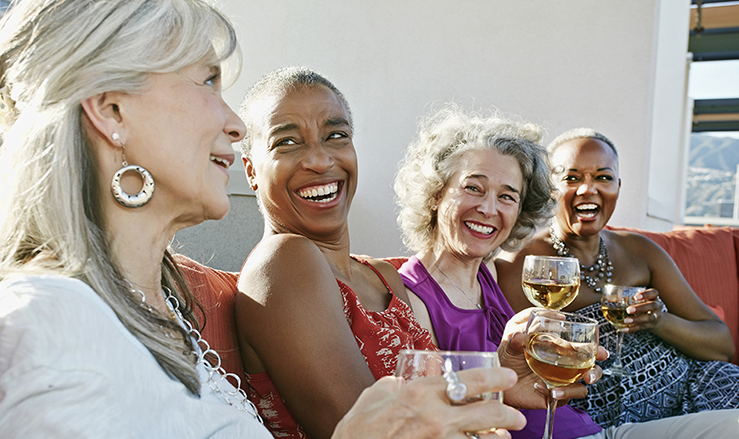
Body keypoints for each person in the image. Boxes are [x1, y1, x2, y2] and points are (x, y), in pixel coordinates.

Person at [0, 0, 528, 438]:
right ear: (111, 110)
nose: (234, 123)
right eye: (206, 81)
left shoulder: (160, 316)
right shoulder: (50, 318)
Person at [236, 68, 593, 439]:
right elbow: (373, 432)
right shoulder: (284, 260)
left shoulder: (380, 277)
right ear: (250, 171)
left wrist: (501, 379)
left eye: (336, 136)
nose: (320, 160)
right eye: (288, 142)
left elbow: (426, 408)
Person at [394, 107, 739, 439]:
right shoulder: (415, 294)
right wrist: (501, 385)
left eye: (507, 196)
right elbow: (420, 413)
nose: (489, 209)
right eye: (473, 187)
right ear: (436, 193)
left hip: (594, 429)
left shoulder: (486, 276)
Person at [495, 128, 739, 428]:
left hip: (696, 388)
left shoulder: (640, 250)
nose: (588, 189)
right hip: (607, 418)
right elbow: (515, 356)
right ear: (549, 188)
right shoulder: (526, 265)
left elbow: (722, 345)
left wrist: (659, 321)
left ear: (618, 187)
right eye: (571, 178)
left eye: (603, 177)